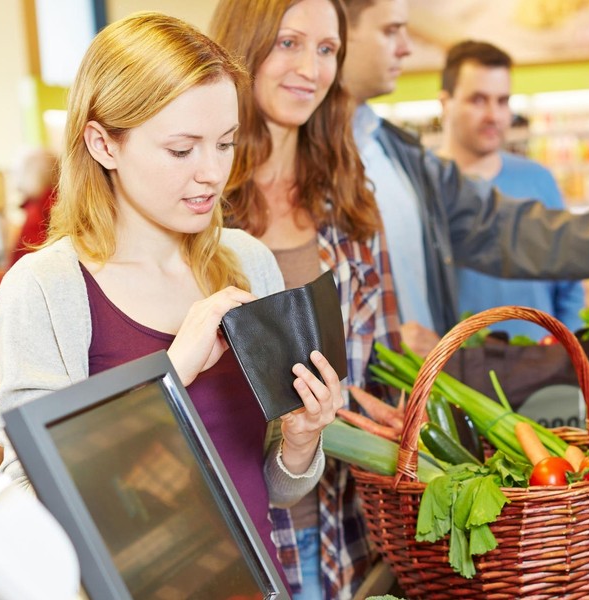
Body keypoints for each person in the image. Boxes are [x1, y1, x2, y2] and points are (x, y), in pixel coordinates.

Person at [0, 12, 343, 585]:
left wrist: (301, 441)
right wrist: (171, 373)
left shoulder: (249, 261)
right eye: (182, 150)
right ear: (103, 142)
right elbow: (30, 503)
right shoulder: (45, 290)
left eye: (225, 143)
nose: (211, 174)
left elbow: (272, 487)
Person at [342, 0, 589, 355]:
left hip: (430, 389)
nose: (406, 47)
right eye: (389, 30)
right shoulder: (319, 157)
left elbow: (510, 230)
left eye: (502, 100)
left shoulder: (398, 155)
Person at [210, 1, 404, 598]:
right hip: (245, 532)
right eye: (288, 43)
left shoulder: (348, 202)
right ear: (245, 46)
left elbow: (382, 362)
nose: (310, 69)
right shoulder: (201, 209)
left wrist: (385, 417)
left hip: (349, 527)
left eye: (327, 50)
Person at [436, 40, 584, 340]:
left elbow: (569, 282)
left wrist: (566, 349)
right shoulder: (424, 186)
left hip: (540, 367)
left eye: (502, 101)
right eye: (478, 100)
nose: (494, 115)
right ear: (445, 103)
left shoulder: (538, 179)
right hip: (452, 374)